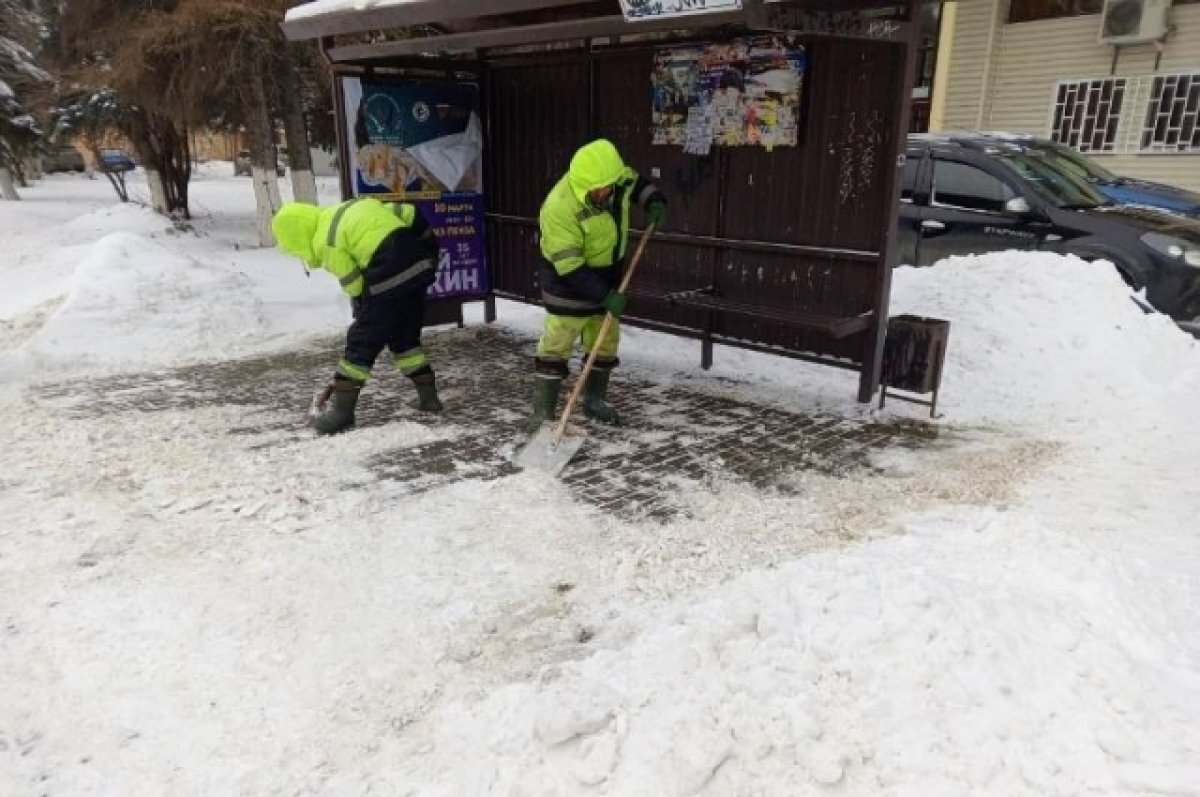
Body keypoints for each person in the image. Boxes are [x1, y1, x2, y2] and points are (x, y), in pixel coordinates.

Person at [272, 197, 443, 435]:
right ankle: (429, 399)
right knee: (404, 339)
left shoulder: (326, 240)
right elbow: (409, 213)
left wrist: (365, 308)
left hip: (388, 276)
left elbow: (354, 284)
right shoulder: (347, 207)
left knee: (361, 341)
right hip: (419, 270)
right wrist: (428, 247)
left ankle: (342, 414)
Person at [530, 138, 667, 430]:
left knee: (604, 344)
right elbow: (570, 267)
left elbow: (636, 183)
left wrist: (654, 201)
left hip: (608, 275)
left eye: (609, 186)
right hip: (567, 284)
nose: (606, 192)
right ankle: (543, 414)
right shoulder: (559, 208)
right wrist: (605, 296)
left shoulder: (614, 179)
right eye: (599, 190)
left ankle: (594, 401)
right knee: (557, 346)